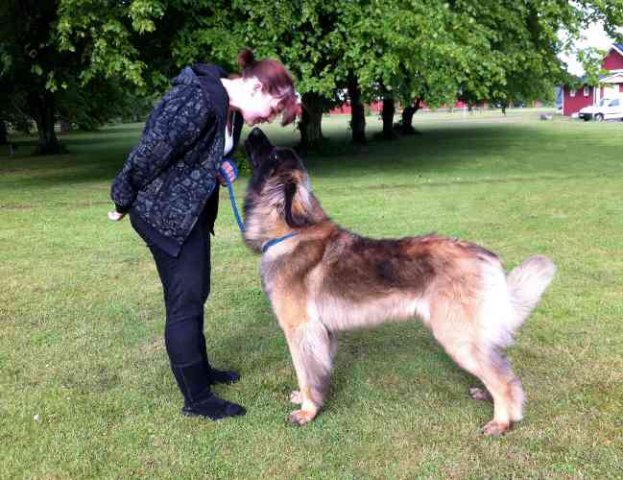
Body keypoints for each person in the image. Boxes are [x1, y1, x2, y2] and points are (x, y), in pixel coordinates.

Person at [108, 49, 300, 420]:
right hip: (163, 214)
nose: (270, 118)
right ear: (257, 87)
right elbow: (150, 151)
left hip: (189, 212)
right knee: (185, 302)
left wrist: (221, 166)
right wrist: (121, 199)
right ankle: (197, 399)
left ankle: (200, 371)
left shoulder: (230, 109)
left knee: (197, 292)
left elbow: (196, 154)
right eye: (273, 109)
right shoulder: (198, 99)